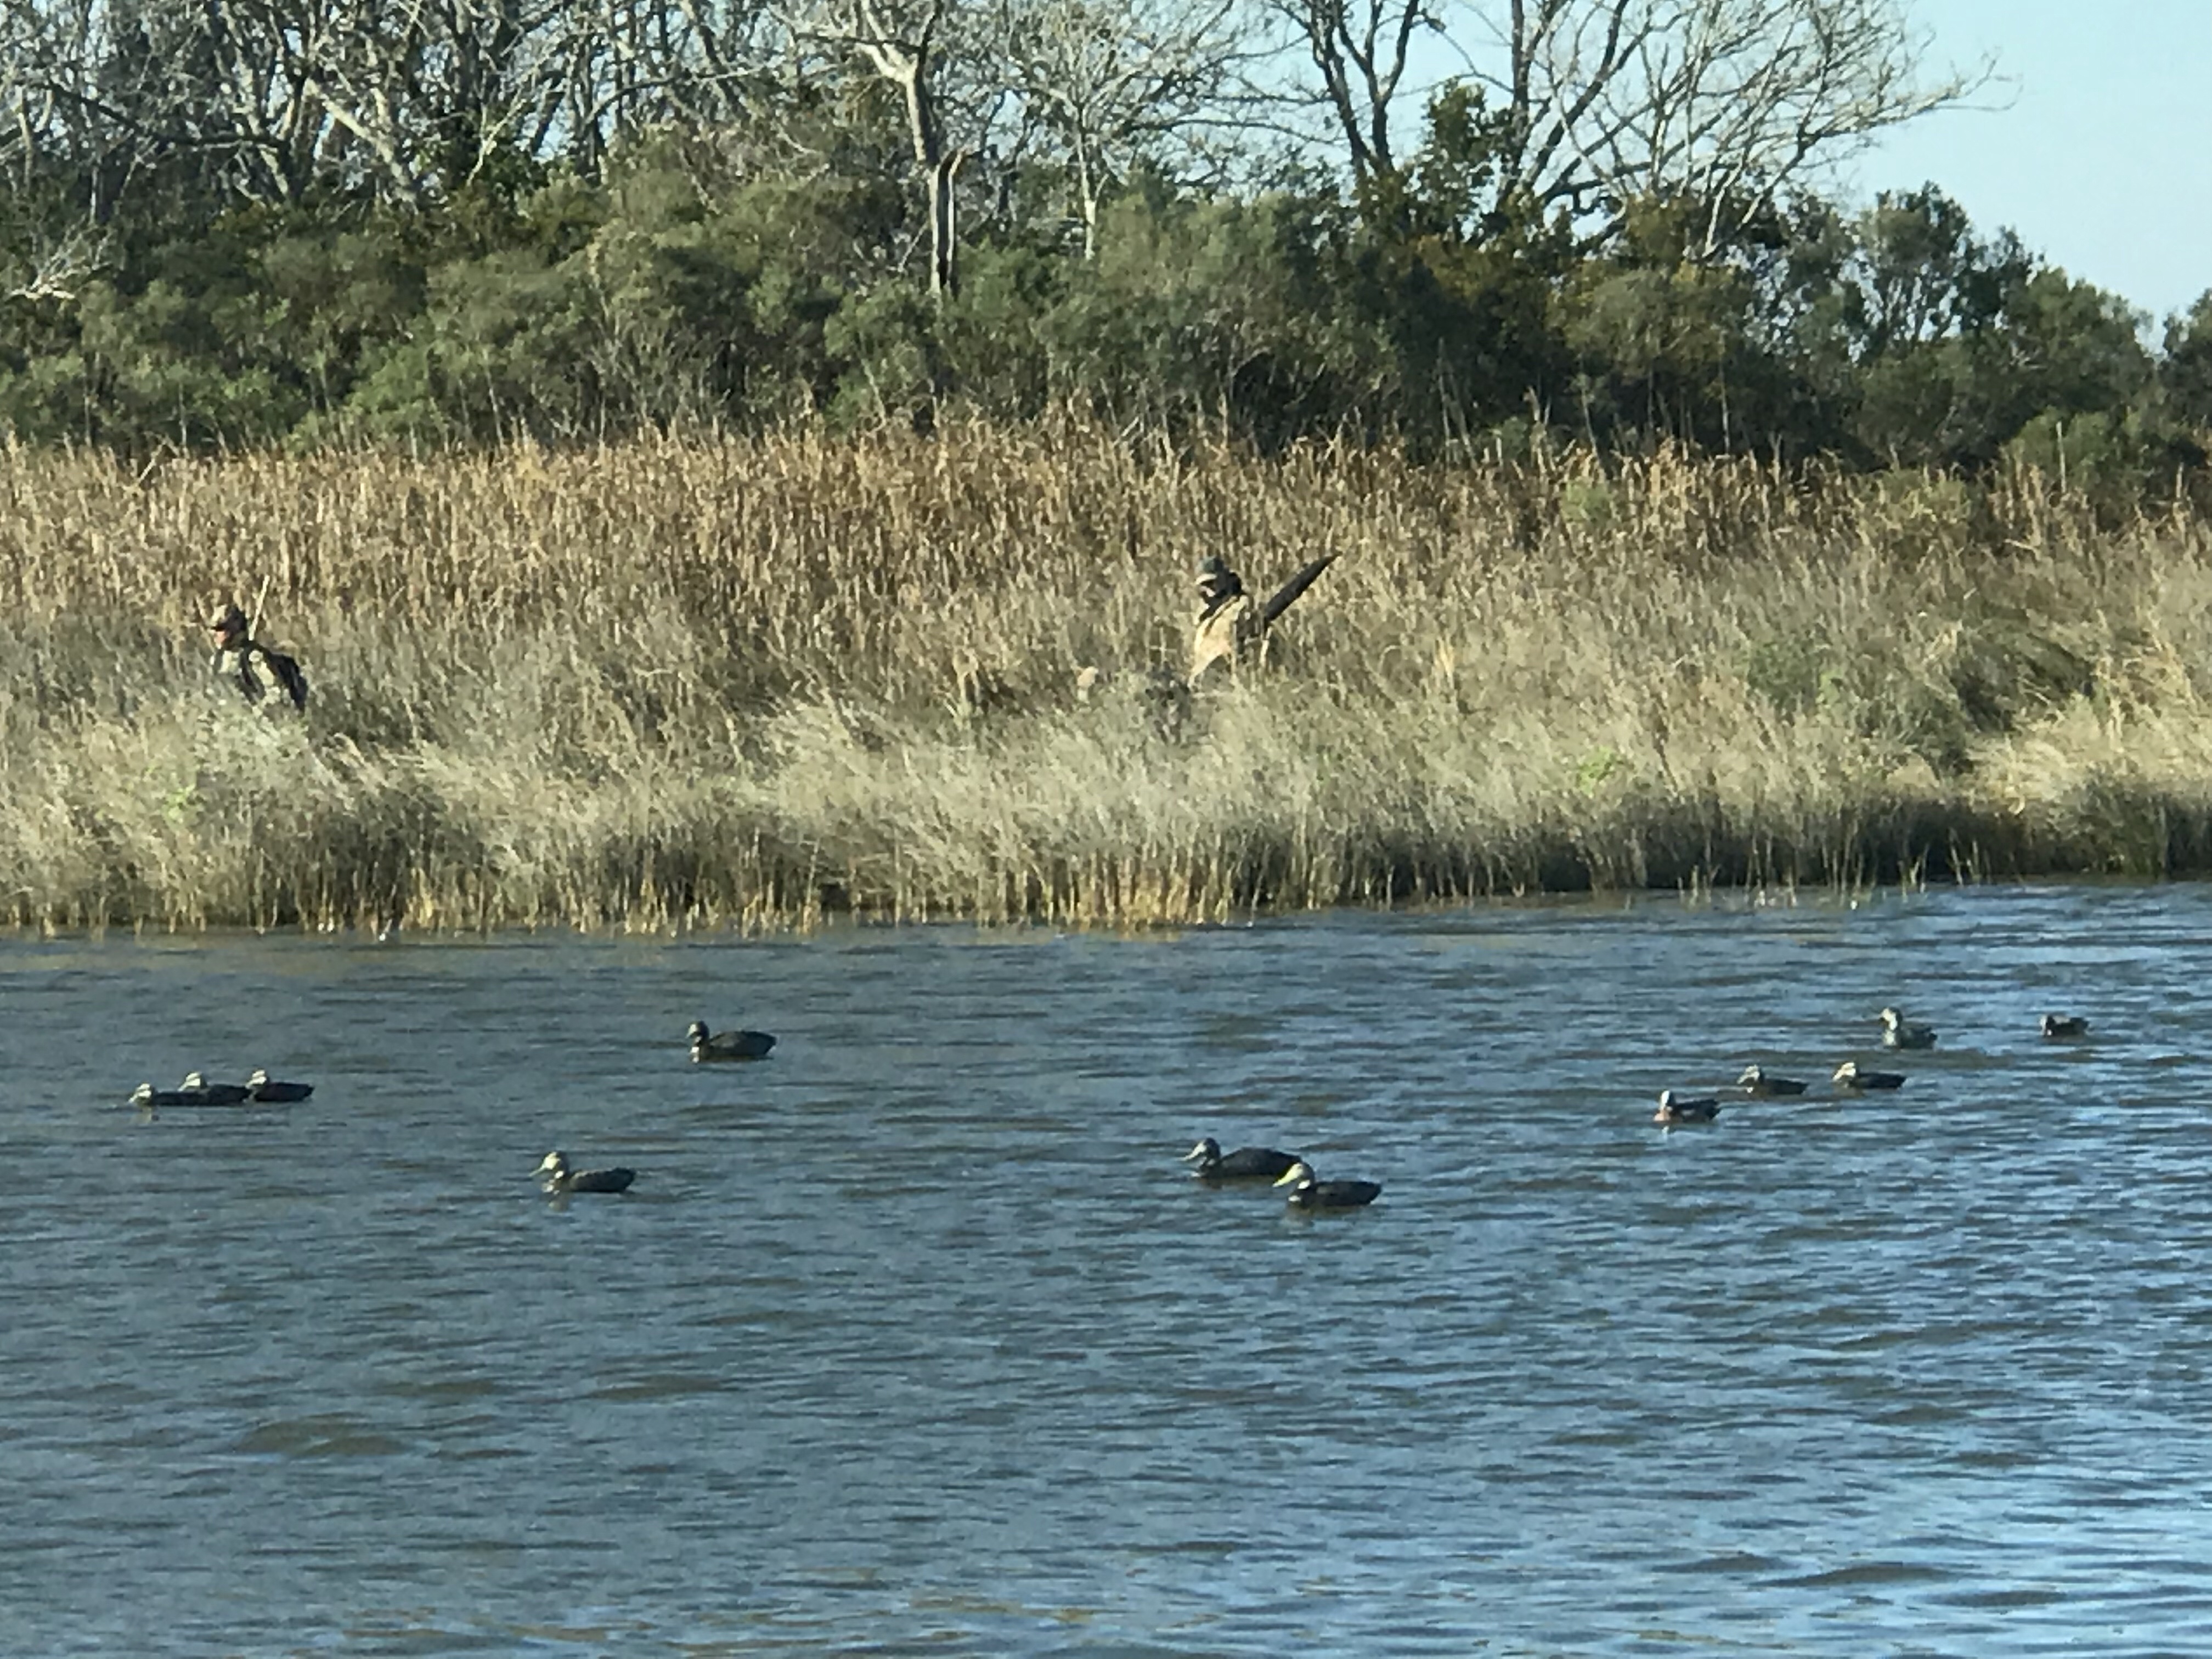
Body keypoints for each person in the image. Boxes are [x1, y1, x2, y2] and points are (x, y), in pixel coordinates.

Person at [207, 602, 308, 710]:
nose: (215, 634)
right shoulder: (217, 660)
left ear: (233, 629)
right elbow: (215, 695)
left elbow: (276, 692)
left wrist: (258, 711)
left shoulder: (254, 657)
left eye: (220, 629)